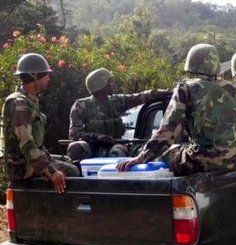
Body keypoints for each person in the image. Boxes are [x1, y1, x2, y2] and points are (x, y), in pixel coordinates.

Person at [117, 43, 236, 176]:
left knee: (168, 152)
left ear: (191, 64)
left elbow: (168, 132)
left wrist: (141, 157)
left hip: (201, 161)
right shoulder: (234, 89)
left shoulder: (186, 88)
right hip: (234, 160)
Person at [1, 53, 79, 194]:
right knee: (72, 171)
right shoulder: (19, 104)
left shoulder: (29, 101)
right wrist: (51, 171)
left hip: (29, 160)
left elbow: (37, 145)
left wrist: (49, 162)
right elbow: (26, 144)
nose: (48, 78)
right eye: (45, 75)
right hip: (22, 167)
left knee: (68, 161)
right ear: (34, 76)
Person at [66, 68, 170, 162]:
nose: (112, 85)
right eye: (109, 83)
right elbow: (74, 134)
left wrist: (165, 93)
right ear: (100, 85)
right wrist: (97, 137)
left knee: (117, 152)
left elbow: (140, 97)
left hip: (116, 144)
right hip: (91, 145)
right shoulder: (81, 105)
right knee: (75, 147)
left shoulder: (117, 101)